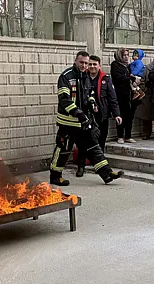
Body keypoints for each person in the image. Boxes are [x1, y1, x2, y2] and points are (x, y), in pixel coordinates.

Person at [48, 51, 123, 186]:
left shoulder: (86, 77)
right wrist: (79, 113)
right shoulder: (66, 76)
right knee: (63, 148)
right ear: (76, 61)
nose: (84, 65)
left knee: (93, 147)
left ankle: (107, 174)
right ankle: (55, 176)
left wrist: (92, 102)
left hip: (83, 122)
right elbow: (64, 100)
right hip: (68, 122)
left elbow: (90, 93)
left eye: (86, 63)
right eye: (81, 62)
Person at [75, 55, 123, 177]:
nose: (91, 67)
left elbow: (113, 98)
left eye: (94, 64)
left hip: (101, 116)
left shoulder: (106, 79)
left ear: (99, 66)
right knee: (83, 142)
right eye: (90, 64)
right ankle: (81, 166)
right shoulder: (82, 77)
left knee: (100, 142)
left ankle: (99, 166)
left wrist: (116, 114)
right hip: (85, 117)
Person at [110, 47, 138, 144]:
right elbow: (118, 77)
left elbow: (129, 77)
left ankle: (128, 136)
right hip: (119, 94)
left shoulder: (127, 66)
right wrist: (130, 78)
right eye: (124, 55)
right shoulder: (115, 65)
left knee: (129, 116)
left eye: (127, 55)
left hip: (128, 94)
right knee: (120, 115)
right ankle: (120, 136)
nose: (126, 57)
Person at [134, 53, 154, 140]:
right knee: (146, 115)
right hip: (148, 93)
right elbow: (143, 80)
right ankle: (146, 132)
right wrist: (145, 87)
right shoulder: (148, 67)